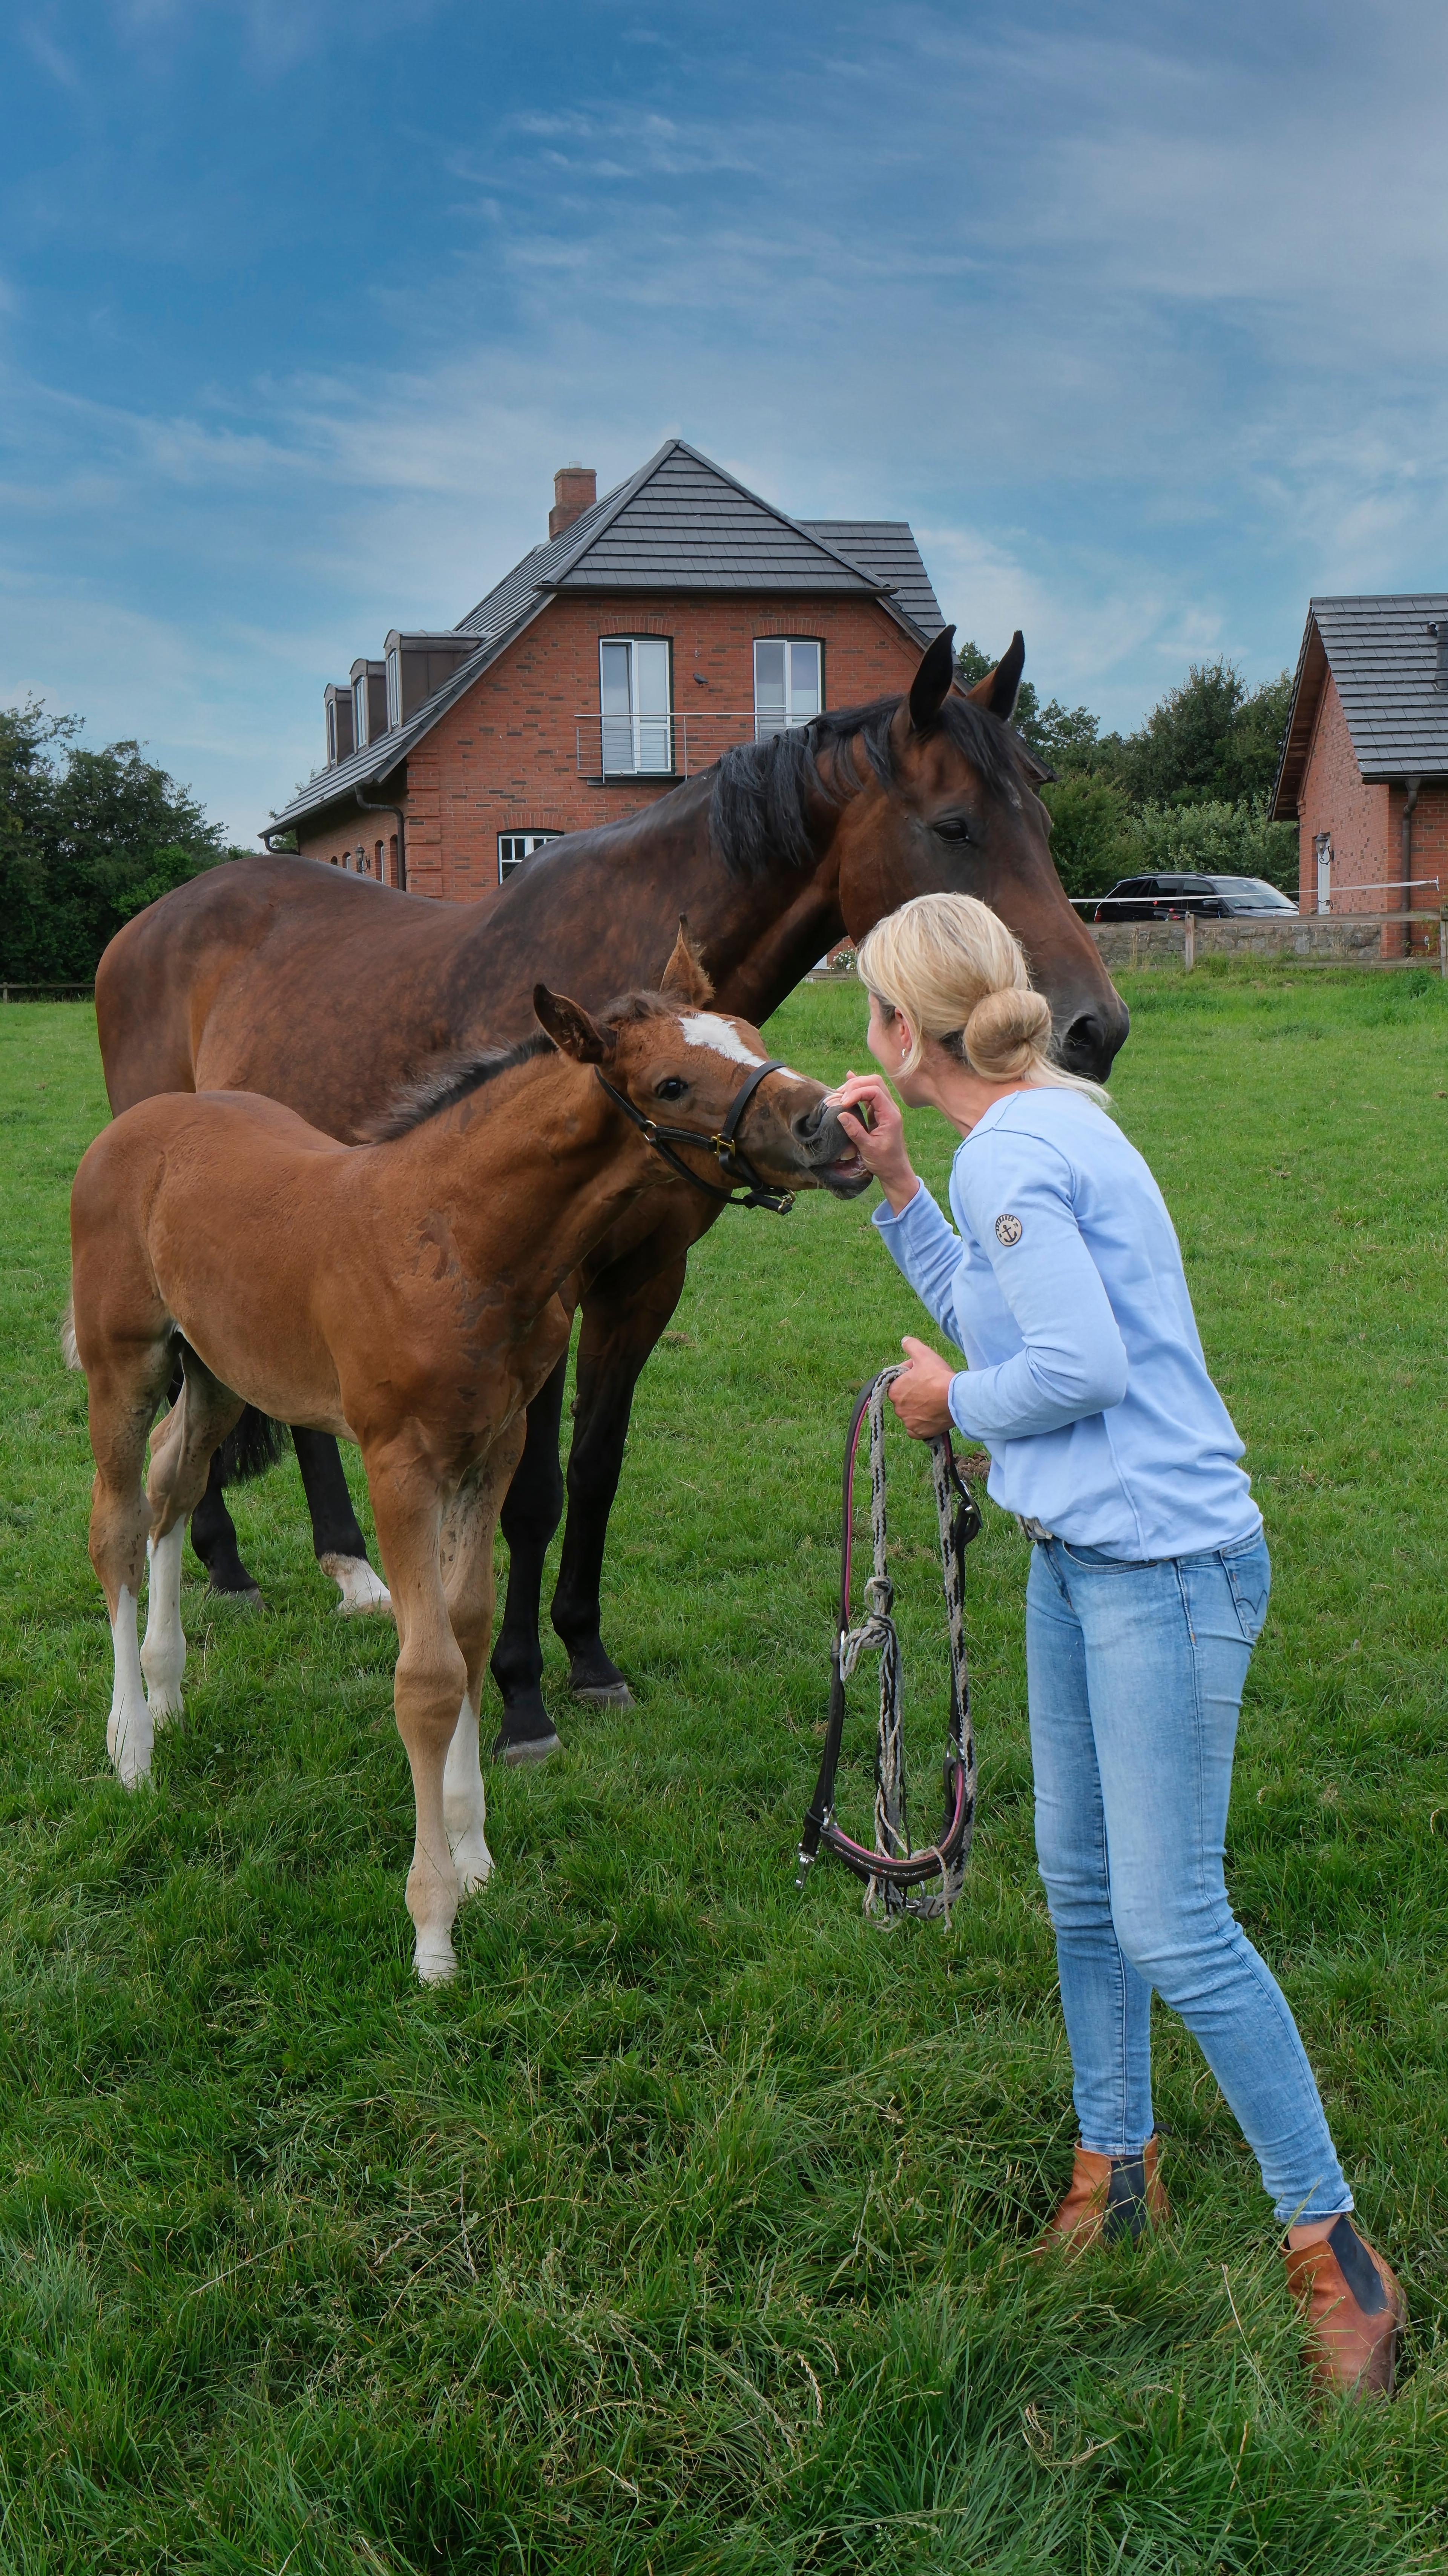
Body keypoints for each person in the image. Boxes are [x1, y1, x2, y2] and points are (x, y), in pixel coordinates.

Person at [829, 890, 1403, 2401]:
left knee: (1170, 1920)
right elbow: (1017, 1326)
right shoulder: (1031, 1123)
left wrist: (953, 1409)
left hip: (1163, 1566)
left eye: (869, 1008)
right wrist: (897, 1189)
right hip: (1084, 1560)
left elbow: (1061, 1371)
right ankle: (1118, 2164)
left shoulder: (1020, 1143)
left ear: (902, 1028)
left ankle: (1332, 2247)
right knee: (1086, 1893)